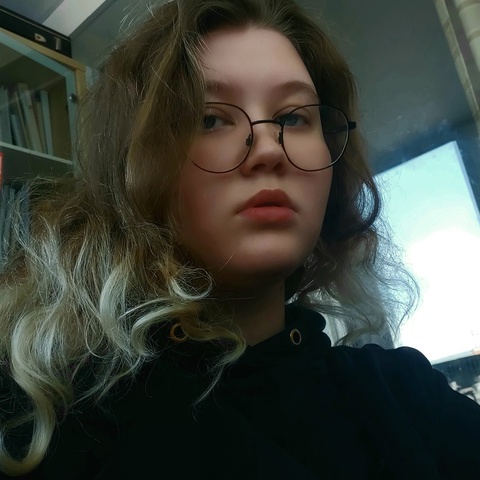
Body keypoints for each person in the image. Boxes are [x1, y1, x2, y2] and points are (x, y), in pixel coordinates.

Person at [1, 0, 479, 478]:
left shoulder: (407, 396)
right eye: (210, 119)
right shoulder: (42, 418)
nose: (270, 148)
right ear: (134, 167)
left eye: (294, 118)